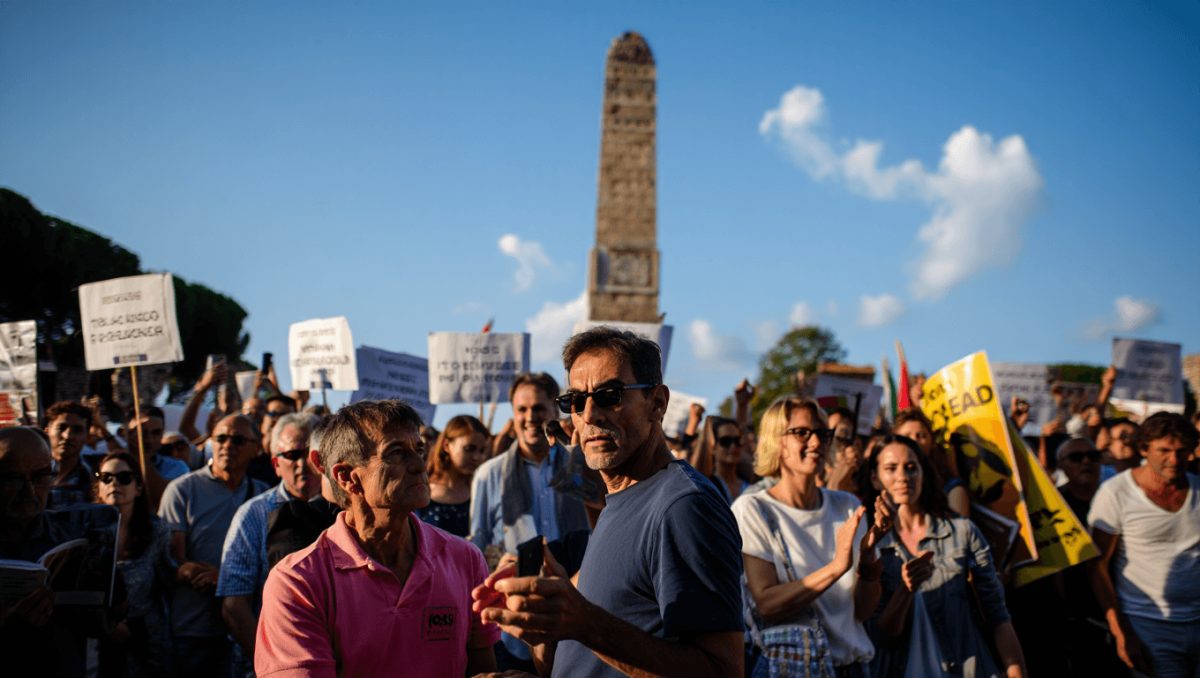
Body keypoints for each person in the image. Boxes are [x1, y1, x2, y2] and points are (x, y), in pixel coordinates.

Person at [473, 327, 744, 677]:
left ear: (657, 403)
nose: (589, 415)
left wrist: (584, 622)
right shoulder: (620, 498)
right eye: (575, 401)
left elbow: (722, 670)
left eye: (609, 395)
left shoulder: (684, 507)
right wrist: (543, 623)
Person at [255, 399, 500, 676]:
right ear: (347, 477)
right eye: (396, 453)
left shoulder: (464, 559)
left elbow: (483, 669)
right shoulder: (297, 583)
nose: (419, 465)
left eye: (419, 449)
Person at [733, 395, 881, 676]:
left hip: (854, 667)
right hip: (794, 668)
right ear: (776, 441)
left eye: (822, 434)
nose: (815, 442)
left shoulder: (847, 506)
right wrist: (836, 567)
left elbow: (861, 613)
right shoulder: (753, 509)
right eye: (801, 433)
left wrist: (869, 565)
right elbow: (767, 604)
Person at [863, 435, 1026, 678]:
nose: (903, 476)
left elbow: (998, 616)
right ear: (875, 478)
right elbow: (882, 636)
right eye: (891, 468)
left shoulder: (962, 531)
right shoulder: (870, 545)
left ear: (923, 472)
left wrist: (1017, 672)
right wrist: (905, 591)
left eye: (911, 467)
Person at [468, 372, 590, 669]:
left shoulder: (580, 468)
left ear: (554, 411)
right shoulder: (489, 474)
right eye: (522, 409)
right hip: (515, 616)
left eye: (538, 408)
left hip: (577, 603)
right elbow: (480, 544)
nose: (530, 417)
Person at [1088, 411, 1200, 675]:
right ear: (1144, 449)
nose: (1174, 460)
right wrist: (1121, 631)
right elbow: (1096, 566)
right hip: (1148, 625)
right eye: (1164, 451)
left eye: (1182, 451)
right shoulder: (1116, 493)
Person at [158, 414, 268, 677]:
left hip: (247, 629)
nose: (227, 445)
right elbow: (169, 560)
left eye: (238, 440)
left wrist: (228, 581)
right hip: (194, 629)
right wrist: (188, 570)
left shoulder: (264, 497)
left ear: (256, 449)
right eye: (220, 438)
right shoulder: (182, 490)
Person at [217, 412, 321, 670]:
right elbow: (234, 603)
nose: (302, 463)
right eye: (292, 455)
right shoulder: (253, 516)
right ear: (275, 464)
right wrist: (273, 664)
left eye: (310, 454)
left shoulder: (347, 511)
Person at [93, 451, 175, 676]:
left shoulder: (157, 530)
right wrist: (109, 624)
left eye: (124, 478)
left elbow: (166, 577)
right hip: (98, 638)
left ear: (138, 487)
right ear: (98, 487)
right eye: (106, 478)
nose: (114, 484)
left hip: (146, 636)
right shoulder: (86, 530)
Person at [417, 414, 489, 537]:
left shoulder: (481, 490)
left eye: (481, 450)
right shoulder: (420, 487)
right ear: (446, 445)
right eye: (469, 448)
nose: (477, 457)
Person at [893, 408, 970, 517]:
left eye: (921, 435)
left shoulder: (952, 489)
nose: (914, 441)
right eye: (906, 437)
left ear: (932, 442)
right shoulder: (886, 488)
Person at [125, 405, 190, 511]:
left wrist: (140, 456)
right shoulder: (109, 465)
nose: (149, 439)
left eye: (156, 433)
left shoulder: (177, 467)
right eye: (142, 432)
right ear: (127, 433)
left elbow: (164, 500)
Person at [43, 400, 96, 507]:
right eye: (61, 428)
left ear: (87, 436)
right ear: (47, 431)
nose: (68, 436)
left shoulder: (95, 476)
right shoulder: (29, 471)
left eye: (77, 430)